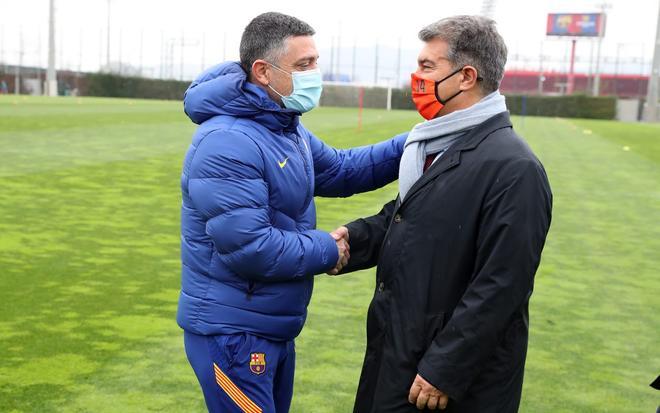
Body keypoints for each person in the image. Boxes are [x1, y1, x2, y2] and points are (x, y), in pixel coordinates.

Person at [176, 12, 407, 413]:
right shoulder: (227, 141)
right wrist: (329, 249)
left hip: (268, 326)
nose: (315, 74)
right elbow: (251, 247)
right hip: (234, 333)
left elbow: (341, 169)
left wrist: (418, 140)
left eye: (315, 61)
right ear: (264, 71)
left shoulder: (283, 125)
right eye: (304, 65)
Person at [330, 15, 553, 412]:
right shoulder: (432, 144)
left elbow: (502, 284)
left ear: (466, 76)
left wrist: (445, 368)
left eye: (427, 67)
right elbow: (410, 218)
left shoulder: (515, 168)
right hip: (401, 353)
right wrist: (354, 239)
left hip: (447, 383)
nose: (415, 76)